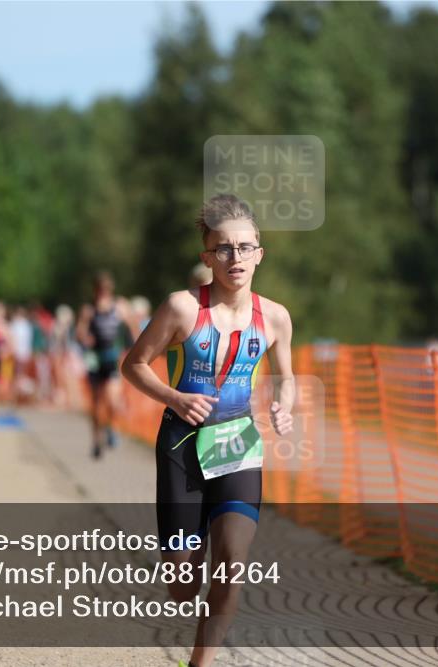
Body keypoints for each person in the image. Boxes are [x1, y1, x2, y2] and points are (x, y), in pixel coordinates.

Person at [121, 194, 295, 667]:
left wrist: (285, 407)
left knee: (232, 565)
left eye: (244, 247)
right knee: (182, 587)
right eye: (223, 248)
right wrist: (176, 398)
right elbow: (133, 365)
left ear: (260, 252)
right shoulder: (181, 308)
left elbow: (287, 378)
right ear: (207, 257)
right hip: (181, 446)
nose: (234, 258)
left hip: (237, 443)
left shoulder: (275, 317)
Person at [77, 272, 133, 458]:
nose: (103, 293)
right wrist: (86, 338)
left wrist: (133, 348)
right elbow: (80, 334)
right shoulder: (89, 310)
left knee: (113, 400)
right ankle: (96, 440)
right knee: (95, 402)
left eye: (106, 290)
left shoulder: (119, 307)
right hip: (94, 358)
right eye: (100, 290)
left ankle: (110, 427)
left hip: (112, 357)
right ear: (95, 290)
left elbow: (133, 327)